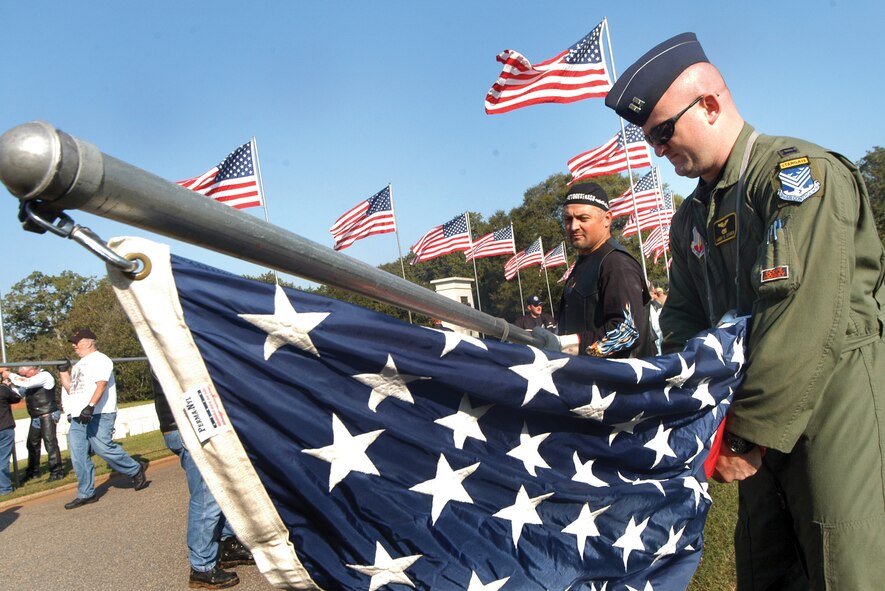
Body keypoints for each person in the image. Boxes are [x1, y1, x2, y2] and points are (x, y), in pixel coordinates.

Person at [606, 32, 885, 589]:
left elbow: (804, 319)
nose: (658, 150)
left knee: (843, 565)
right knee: (765, 569)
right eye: (650, 140)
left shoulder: (797, 178)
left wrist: (742, 435)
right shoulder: (690, 219)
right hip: (750, 417)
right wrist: (698, 415)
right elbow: (683, 322)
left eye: (663, 132)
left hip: (830, 402)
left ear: (709, 104)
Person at [152, 369, 251, 589]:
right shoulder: (169, 340)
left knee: (224, 488)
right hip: (188, 425)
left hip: (199, 423)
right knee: (208, 497)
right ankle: (202, 567)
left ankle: (227, 545)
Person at [551, 182, 655, 358]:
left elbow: (626, 333)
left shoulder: (616, 263)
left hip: (616, 382)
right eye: (568, 219)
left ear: (607, 219)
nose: (574, 226)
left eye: (583, 218)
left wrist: (567, 344)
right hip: (585, 379)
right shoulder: (585, 261)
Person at [58, 328, 148, 509]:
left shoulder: (101, 360)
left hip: (99, 412)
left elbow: (102, 384)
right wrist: (63, 372)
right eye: (73, 342)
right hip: (78, 416)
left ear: (89, 341)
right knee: (77, 455)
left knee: (103, 448)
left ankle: (134, 469)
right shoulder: (78, 365)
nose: (74, 345)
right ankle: (86, 493)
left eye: (77, 341)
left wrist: (90, 406)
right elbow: (71, 390)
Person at [3, 365, 64, 482]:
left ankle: (57, 472)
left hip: (47, 414)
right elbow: (19, 393)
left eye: (24, 374)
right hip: (36, 416)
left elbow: (26, 383)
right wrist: (7, 388)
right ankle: (33, 472)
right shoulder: (30, 381)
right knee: (32, 444)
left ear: (32, 370)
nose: (23, 377)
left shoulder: (44, 376)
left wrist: (10, 375)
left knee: (50, 443)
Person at [0, 379, 22, 496]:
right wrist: (8, 387)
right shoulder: (3, 390)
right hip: (4, 428)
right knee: (3, 460)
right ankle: (4, 489)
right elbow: (17, 398)